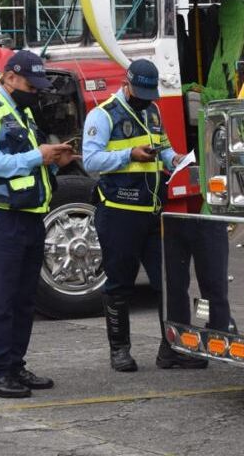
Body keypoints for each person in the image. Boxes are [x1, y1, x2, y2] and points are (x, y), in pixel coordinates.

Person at [82, 58, 207, 372]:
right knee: (120, 284)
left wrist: (176, 158)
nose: (145, 98)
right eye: (140, 92)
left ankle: (172, 349)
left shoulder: (153, 111)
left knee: (168, 283)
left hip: (152, 213)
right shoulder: (103, 115)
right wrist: (129, 155)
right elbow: (91, 161)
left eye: (149, 94)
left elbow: (163, 149)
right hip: (119, 214)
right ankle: (120, 350)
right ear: (126, 84)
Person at [0, 49, 75, 398]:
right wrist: (36, 155)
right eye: (30, 83)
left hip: (29, 219)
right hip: (0, 221)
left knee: (24, 300)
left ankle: (15, 365)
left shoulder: (22, 114)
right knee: (0, 301)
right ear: (10, 77)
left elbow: (27, 166)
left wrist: (54, 161)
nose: (35, 90)